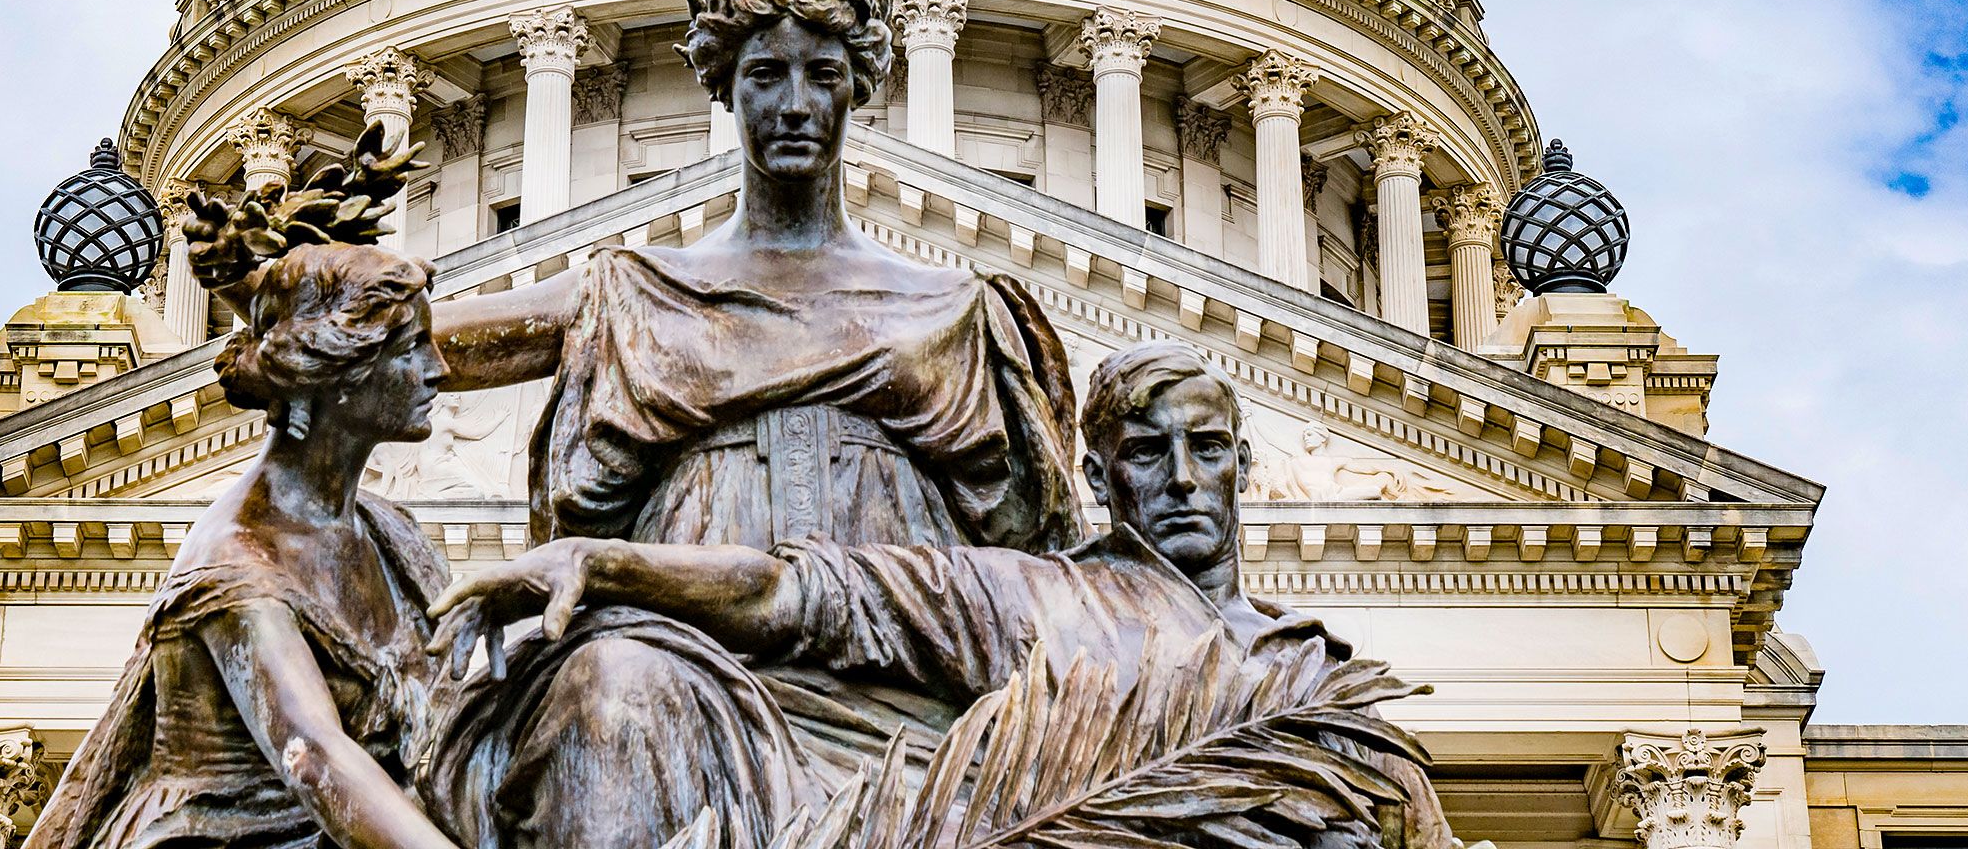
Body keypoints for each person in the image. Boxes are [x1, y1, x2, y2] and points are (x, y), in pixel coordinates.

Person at [414, 0, 1083, 849]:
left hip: (898, 664)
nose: (797, 104)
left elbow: (1045, 566)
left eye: (825, 75)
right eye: (766, 75)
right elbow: (416, 345)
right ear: (723, 90)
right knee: (610, 695)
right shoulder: (639, 293)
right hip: (670, 649)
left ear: (861, 91)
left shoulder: (956, 312)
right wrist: (313, 307)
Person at [427, 343, 1462, 849]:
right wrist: (606, 561)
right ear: (1099, 479)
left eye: (1206, 451)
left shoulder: (1320, 679)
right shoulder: (1043, 597)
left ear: (1248, 464)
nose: (1183, 478)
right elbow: (806, 586)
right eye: (1148, 452)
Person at [26, 199, 460, 849]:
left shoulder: (394, 532)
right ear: (339, 370)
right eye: (411, 348)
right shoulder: (237, 564)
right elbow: (314, 756)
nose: (442, 370)